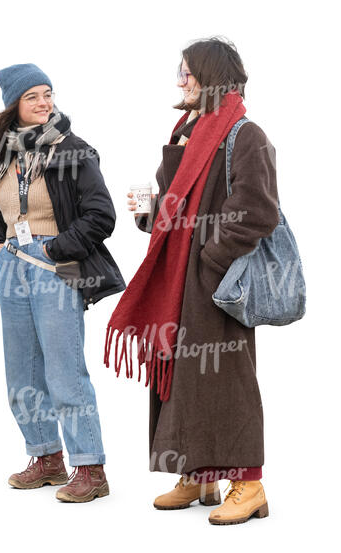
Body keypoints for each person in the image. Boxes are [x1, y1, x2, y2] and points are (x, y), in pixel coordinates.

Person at [106, 38, 278, 525]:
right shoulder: (188, 132)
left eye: (187, 73)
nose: (180, 82)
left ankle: (249, 483)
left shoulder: (246, 135)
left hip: (215, 284)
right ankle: (197, 474)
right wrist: (147, 215)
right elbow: (171, 210)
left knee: (228, 383)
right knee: (182, 378)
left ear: (210, 76)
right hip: (177, 281)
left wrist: (210, 258)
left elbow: (258, 212)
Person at [0, 63, 125, 503]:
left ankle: (90, 468)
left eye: (48, 94)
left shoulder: (73, 150)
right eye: (32, 97)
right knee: (21, 370)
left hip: (54, 269)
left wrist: (55, 249)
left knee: (64, 371)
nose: (44, 103)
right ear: (13, 106)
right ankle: (46, 459)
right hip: (12, 268)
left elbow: (102, 216)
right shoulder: (2, 157)